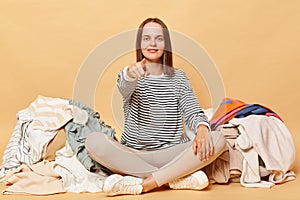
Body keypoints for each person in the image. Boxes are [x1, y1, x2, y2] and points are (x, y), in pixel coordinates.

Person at [85, 17, 226, 196]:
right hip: (133, 154)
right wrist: (130, 73)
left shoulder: (179, 78)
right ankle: (174, 178)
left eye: (159, 38)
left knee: (218, 138)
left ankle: (145, 184)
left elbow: (193, 111)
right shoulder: (131, 75)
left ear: (166, 44)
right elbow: (124, 85)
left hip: (171, 153)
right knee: (93, 141)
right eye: (147, 38)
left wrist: (202, 129)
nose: (152, 43)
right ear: (140, 43)